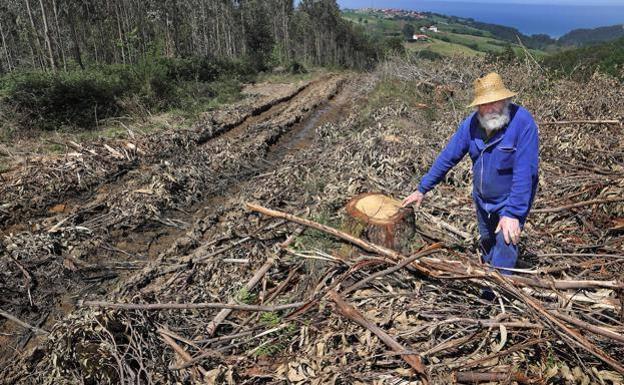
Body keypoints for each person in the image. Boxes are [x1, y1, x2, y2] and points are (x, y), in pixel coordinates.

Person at [402, 72, 539, 275]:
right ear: (477, 106)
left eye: (496, 102)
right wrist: (422, 188)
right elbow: (448, 156)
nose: (491, 109)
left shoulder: (523, 123)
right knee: (487, 241)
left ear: (506, 100)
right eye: (485, 104)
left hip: (510, 199)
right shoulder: (471, 125)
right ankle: (487, 276)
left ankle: (499, 293)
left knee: (506, 241)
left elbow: (525, 172)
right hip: (483, 200)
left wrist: (513, 214)